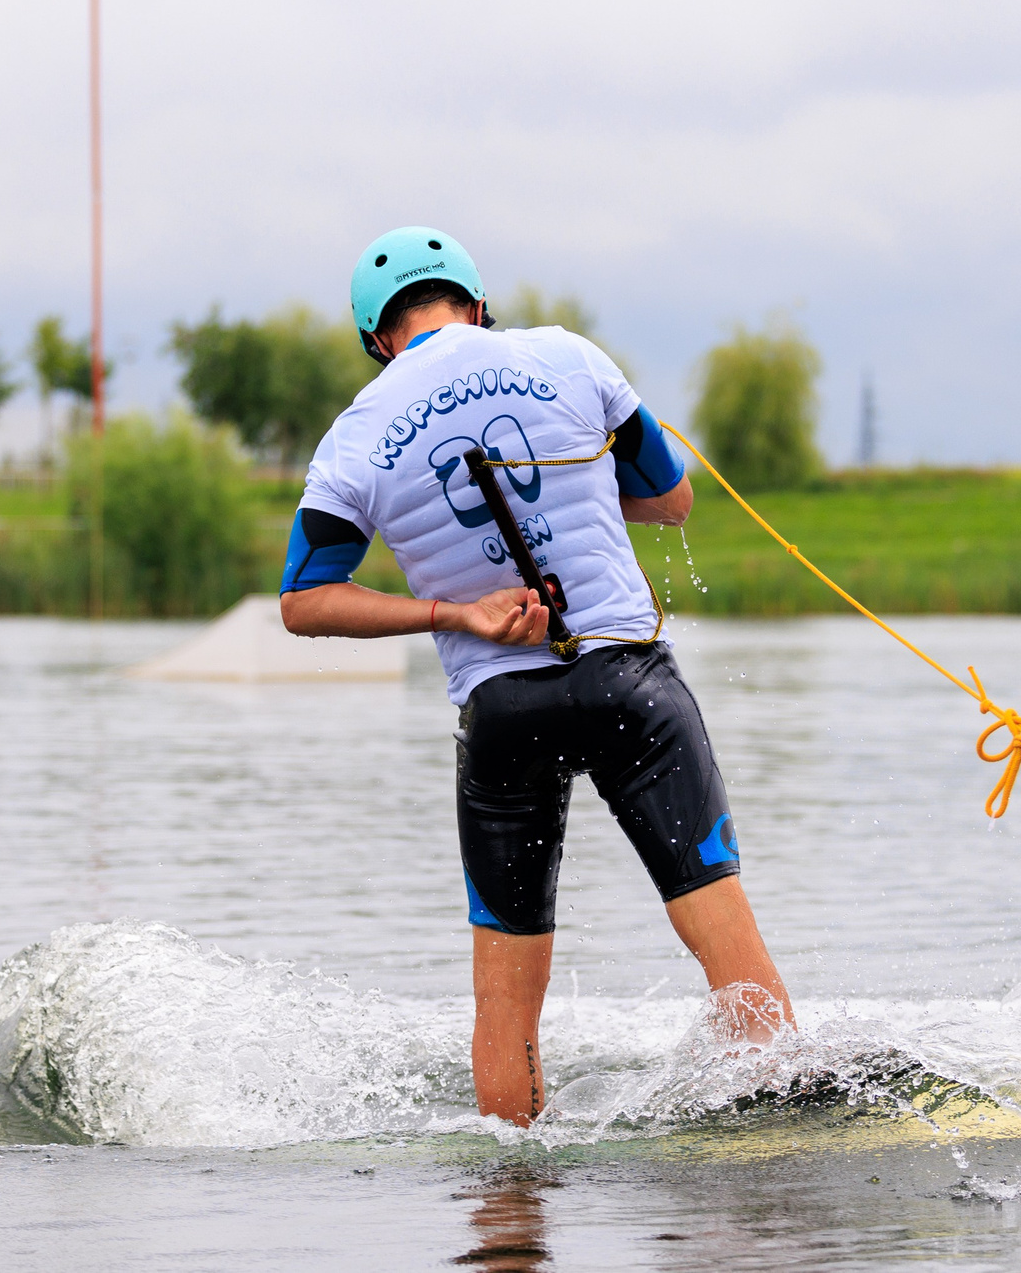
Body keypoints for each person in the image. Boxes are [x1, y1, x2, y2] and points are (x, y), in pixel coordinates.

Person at [278, 226, 793, 1125]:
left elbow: (304, 600)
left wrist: (453, 612)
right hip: (629, 685)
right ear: (478, 305)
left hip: (503, 708)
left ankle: (511, 1218)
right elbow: (673, 500)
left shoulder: (355, 433)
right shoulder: (566, 355)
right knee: (728, 954)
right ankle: (780, 1145)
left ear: (375, 338)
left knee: (506, 1011)